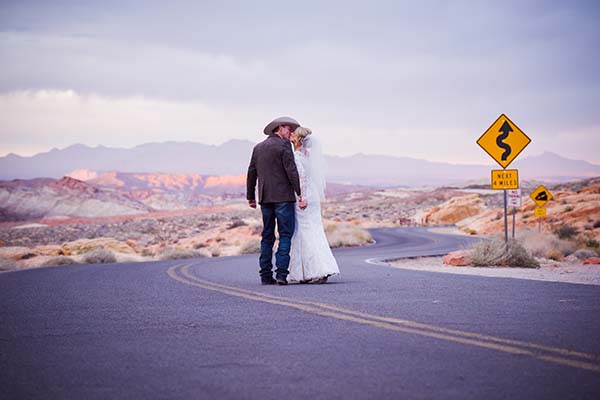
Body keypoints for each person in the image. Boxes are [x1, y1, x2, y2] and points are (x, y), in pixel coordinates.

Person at [246, 117, 307, 286]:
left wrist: (251, 196)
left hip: (265, 198)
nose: (291, 133)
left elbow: (251, 173)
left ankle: (265, 275)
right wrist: (300, 193)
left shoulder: (258, 148)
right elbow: (291, 171)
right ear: (280, 128)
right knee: (285, 235)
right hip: (283, 198)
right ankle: (281, 274)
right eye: (289, 129)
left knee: (267, 236)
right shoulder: (284, 145)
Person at [288, 127, 340, 283]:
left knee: (304, 232)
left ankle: (316, 269)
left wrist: (301, 197)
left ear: (297, 139)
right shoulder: (310, 156)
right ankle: (317, 268)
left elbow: (301, 178)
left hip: (304, 196)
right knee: (315, 230)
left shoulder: (296, 157)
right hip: (314, 196)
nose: (290, 134)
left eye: (293, 133)